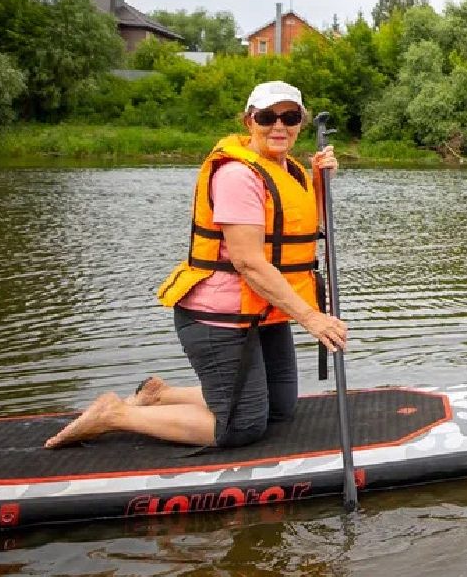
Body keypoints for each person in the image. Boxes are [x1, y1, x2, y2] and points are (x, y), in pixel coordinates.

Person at [46, 81, 349, 449]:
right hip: (218, 317)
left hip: (262, 311)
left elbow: (293, 231)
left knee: (280, 410)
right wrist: (312, 317)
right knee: (241, 427)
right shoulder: (238, 175)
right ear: (249, 120)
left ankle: (160, 395)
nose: (278, 126)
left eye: (289, 116)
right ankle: (116, 414)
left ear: (301, 121)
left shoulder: (292, 170)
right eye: (267, 117)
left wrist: (320, 182)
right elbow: (248, 262)